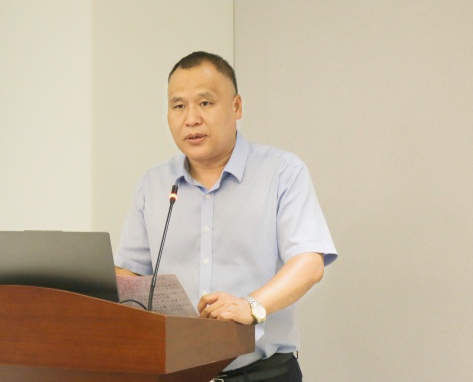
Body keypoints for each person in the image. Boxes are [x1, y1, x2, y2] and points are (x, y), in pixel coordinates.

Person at [114, 51, 337, 382]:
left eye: (205, 103)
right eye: (178, 106)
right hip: (176, 373)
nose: (191, 119)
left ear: (236, 107)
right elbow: (129, 274)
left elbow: (309, 263)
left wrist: (251, 305)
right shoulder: (154, 184)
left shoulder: (282, 172)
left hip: (263, 375)